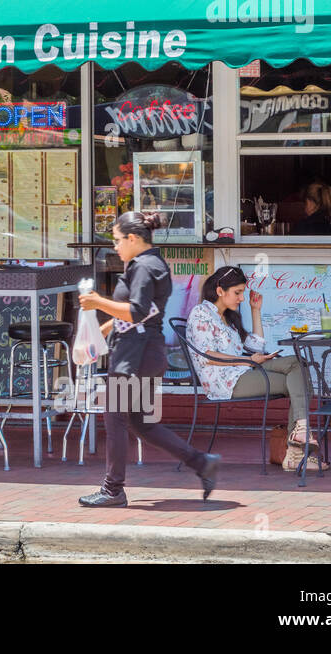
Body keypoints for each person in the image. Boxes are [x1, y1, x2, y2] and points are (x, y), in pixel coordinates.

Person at [77, 210, 220, 507]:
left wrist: (96, 302)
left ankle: (112, 489)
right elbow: (137, 313)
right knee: (142, 423)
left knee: (115, 418)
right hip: (142, 351)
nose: (114, 246)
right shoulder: (148, 264)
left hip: (135, 355)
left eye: (117, 240)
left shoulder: (144, 266)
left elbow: (137, 311)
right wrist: (100, 331)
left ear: (132, 238)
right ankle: (202, 462)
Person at [185, 266, 324, 470]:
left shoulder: (228, 318)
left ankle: (300, 435)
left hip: (243, 371)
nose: (241, 298)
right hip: (226, 382)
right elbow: (208, 356)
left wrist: (255, 310)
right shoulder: (201, 314)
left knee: (297, 363)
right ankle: (296, 452)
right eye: (237, 292)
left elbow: (255, 346)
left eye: (242, 292)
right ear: (220, 290)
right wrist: (249, 361)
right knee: (297, 381)